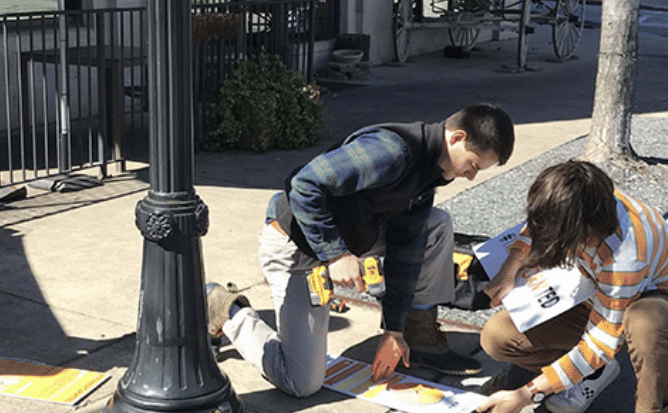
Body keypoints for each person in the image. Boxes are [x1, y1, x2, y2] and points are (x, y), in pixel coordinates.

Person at [207, 104, 515, 397]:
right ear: (457, 137)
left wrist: (394, 329)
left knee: (435, 225)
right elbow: (304, 185)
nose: (471, 176)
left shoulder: (429, 174)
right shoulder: (390, 150)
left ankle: (418, 336)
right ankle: (226, 308)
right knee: (302, 382)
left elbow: (407, 250)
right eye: (473, 165)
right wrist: (336, 254)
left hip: (351, 240)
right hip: (296, 248)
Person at [470, 160, 668, 413]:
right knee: (498, 337)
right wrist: (509, 269)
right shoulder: (580, 200)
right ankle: (596, 373)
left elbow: (600, 342)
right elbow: (534, 226)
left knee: (643, 323)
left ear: (588, 230)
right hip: (600, 296)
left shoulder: (626, 255)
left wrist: (524, 394)